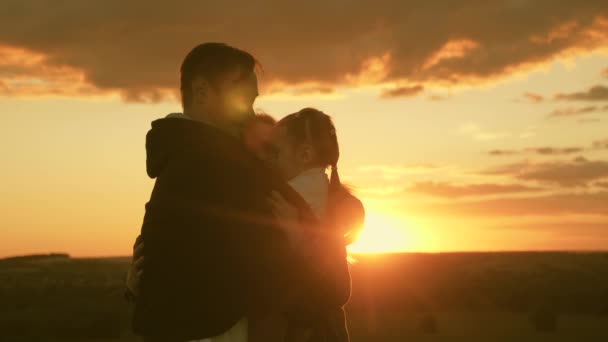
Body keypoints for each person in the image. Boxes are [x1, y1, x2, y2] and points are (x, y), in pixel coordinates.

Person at [127, 42, 363, 342]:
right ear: (201, 92)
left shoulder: (182, 160)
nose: (249, 112)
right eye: (243, 100)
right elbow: (328, 290)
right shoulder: (220, 170)